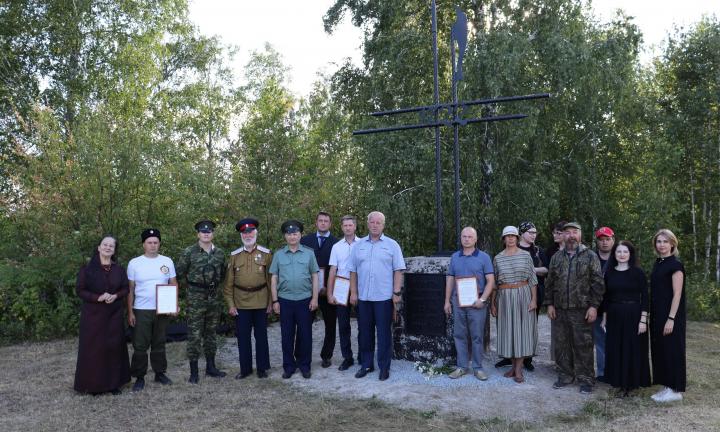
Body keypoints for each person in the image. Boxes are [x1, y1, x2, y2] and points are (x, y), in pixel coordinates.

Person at [544, 222, 605, 394]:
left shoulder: (590, 256)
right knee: (561, 345)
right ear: (562, 236)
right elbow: (549, 283)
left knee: (583, 345)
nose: (571, 236)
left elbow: (598, 284)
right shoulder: (556, 257)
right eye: (567, 232)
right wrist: (549, 304)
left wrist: (594, 307)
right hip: (560, 309)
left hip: (582, 309)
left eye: (574, 232)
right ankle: (565, 375)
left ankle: (586, 379)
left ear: (580, 235)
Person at [349, 211, 406, 381]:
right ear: (367, 224)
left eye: (378, 222)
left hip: (383, 298)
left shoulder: (392, 245)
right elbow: (353, 271)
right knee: (365, 333)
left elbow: (398, 270)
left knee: (383, 334)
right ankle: (366, 364)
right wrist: (353, 292)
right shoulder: (358, 246)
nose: (374, 225)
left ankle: (384, 367)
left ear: (383, 225)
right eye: (372, 222)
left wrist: (396, 293)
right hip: (364, 298)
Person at [73, 235, 130, 395]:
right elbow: (80, 290)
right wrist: (97, 297)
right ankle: (94, 386)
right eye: (105, 244)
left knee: (113, 348)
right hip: (93, 316)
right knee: (94, 350)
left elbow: (125, 289)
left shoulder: (119, 270)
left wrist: (116, 296)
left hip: (114, 315)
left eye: (111, 246)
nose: (108, 247)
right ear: (98, 247)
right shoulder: (87, 269)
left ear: (114, 250)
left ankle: (114, 384)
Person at [176, 220, 227, 384]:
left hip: (213, 297)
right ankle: (194, 371)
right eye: (203, 231)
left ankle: (211, 367)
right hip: (196, 297)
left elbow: (223, 274)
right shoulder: (189, 252)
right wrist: (190, 290)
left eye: (209, 231)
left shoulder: (219, 253)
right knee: (195, 334)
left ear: (213, 234)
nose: (206, 233)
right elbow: (179, 274)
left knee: (211, 333)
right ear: (198, 234)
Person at [127, 228, 177, 391]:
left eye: (155, 242)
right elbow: (130, 290)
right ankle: (139, 377)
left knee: (159, 342)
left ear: (159, 243)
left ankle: (160, 373)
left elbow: (173, 283)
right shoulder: (135, 263)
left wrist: (174, 303)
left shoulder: (167, 261)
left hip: (162, 309)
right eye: (149, 242)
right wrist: (130, 312)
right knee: (140, 345)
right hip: (141, 309)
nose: (153, 245)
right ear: (143, 244)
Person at [444, 227, 495, 381]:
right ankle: (461, 367)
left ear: (475, 239)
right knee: (459, 335)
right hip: (458, 302)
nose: (466, 239)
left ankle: (478, 368)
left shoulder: (484, 257)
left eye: (469, 237)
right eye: (464, 236)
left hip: (477, 303)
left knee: (477, 336)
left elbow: (491, 281)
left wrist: (483, 300)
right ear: (461, 238)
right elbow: (450, 279)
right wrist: (447, 301)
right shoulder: (455, 257)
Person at [224, 218, 273, 379]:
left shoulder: (266, 254)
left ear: (256, 233)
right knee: (243, 337)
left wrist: (271, 302)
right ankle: (245, 369)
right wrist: (231, 304)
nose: (248, 235)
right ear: (241, 235)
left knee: (261, 336)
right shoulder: (234, 256)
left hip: (261, 300)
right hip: (241, 302)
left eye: (250, 231)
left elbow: (271, 280)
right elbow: (228, 284)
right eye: (244, 233)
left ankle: (262, 368)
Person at [270, 220, 319, 379]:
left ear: (300, 235)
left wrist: (315, 298)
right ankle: (289, 367)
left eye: (295, 233)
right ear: (285, 236)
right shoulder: (278, 255)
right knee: (286, 336)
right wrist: (275, 300)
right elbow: (274, 278)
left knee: (305, 335)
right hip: (285, 301)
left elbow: (315, 276)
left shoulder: (309, 253)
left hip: (305, 300)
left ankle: (305, 366)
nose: (292, 236)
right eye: (289, 234)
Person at [601, 240, 650, 396]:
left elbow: (645, 297)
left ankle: (630, 384)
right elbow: (606, 298)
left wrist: (643, 320)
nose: (622, 255)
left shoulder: (638, 273)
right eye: (619, 252)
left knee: (631, 348)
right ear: (614, 254)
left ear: (630, 254)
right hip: (614, 314)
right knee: (616, 348)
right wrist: (604, 318)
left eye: (625, 252)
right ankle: (618, 381)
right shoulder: (609, 272)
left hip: (634, 314)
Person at [490, 226, 538, 383]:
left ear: (517, 238)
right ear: (503, 239)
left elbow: (533, 280)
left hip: (522, 295)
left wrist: (533, 300)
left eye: (513, 236)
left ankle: (518, 370)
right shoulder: (497, 258)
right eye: (507, 236)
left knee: (522, 332)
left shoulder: (525, 256)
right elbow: (495, 284)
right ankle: (512, 366)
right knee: (507, 332)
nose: (510, 238)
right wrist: (493, 304)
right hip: (504, 298)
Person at [649, 229, 686, 403]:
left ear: (672, 243)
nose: (661, 245)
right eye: (659, 241)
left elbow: (677, 294)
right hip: (658, 314)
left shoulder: (676, 265)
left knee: (672, 350)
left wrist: (671, 318)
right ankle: (666, 386)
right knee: (661, 350)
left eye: (665, 241)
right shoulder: (659, 263)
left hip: (671, 315)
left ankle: (676, 389)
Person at [300, 211, 339, 368]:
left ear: (330, 224)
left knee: (330, 325)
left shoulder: (337, 243)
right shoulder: (305, 240)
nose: (323, 223)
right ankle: (303, 355)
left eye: (326, 221)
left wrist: (330, 289)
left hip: (329, 291)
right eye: (320, 220)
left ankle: (326, 355)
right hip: (308, 291)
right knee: (304, 324)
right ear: (316, 222)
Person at [327, 215, 362, 371]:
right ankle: (347, 357)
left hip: (360, 288)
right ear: (341, 228)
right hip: (341, 289)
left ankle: (363, 355)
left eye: (350, 225)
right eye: (345, 225)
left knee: (364, 324)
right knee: (343, 325)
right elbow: (332, 271)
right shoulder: (336, 246)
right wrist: (329, 293)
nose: (348, 228)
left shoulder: (363, 244)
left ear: (355, 227)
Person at [516, 221, 547, 371]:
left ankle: (528, 359)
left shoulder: (538, 251)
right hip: (516, 291)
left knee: (531, 325)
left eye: (535, 232)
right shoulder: (513, 248)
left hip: (536, 290)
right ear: (522, 233)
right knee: (515, 324)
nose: (533, 235)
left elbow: (546, 269)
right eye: (530, 232)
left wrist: (532, 269)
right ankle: (512, 357)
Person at [593, 226, 615, 382]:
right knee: (600, 342)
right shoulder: (590, 258)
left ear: (613, 240)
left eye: (607, 239)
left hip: (615, 307)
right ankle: (602, 373)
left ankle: (617, 371)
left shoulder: (620, 256)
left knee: (616, 341)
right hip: (596, 308)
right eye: (601, 240)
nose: (605, 243)